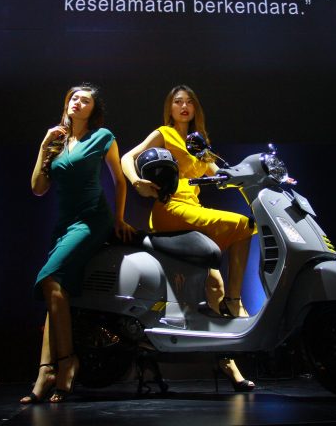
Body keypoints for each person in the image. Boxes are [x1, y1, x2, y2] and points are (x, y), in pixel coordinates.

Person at [121, 85, 256, 391]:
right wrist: (137, 181)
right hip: (170, 207)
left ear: (195, 109)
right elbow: (129, 156)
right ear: (170, 109)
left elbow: (221, 175)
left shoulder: (198, 144)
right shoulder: (164, 134)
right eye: (177, 102)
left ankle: (228, 364)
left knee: (214, 284)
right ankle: (235, 301)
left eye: (189, 102)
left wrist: (255, 179)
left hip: (193, 211)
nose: (183, 106)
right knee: (243, 224)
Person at [21, 84, 135, 404]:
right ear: (67, 103)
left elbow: (119, 180)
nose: (78, 103)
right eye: (74, 98)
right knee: (56, 293)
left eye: (85, 100)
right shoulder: (56, 142)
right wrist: (44, 145)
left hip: (91, 220)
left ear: (93, 109)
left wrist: (119, 219)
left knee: (50, 280)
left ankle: (67, 361)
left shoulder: (102, 137)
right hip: (64, 225)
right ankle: (46, 371)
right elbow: (38, 188)